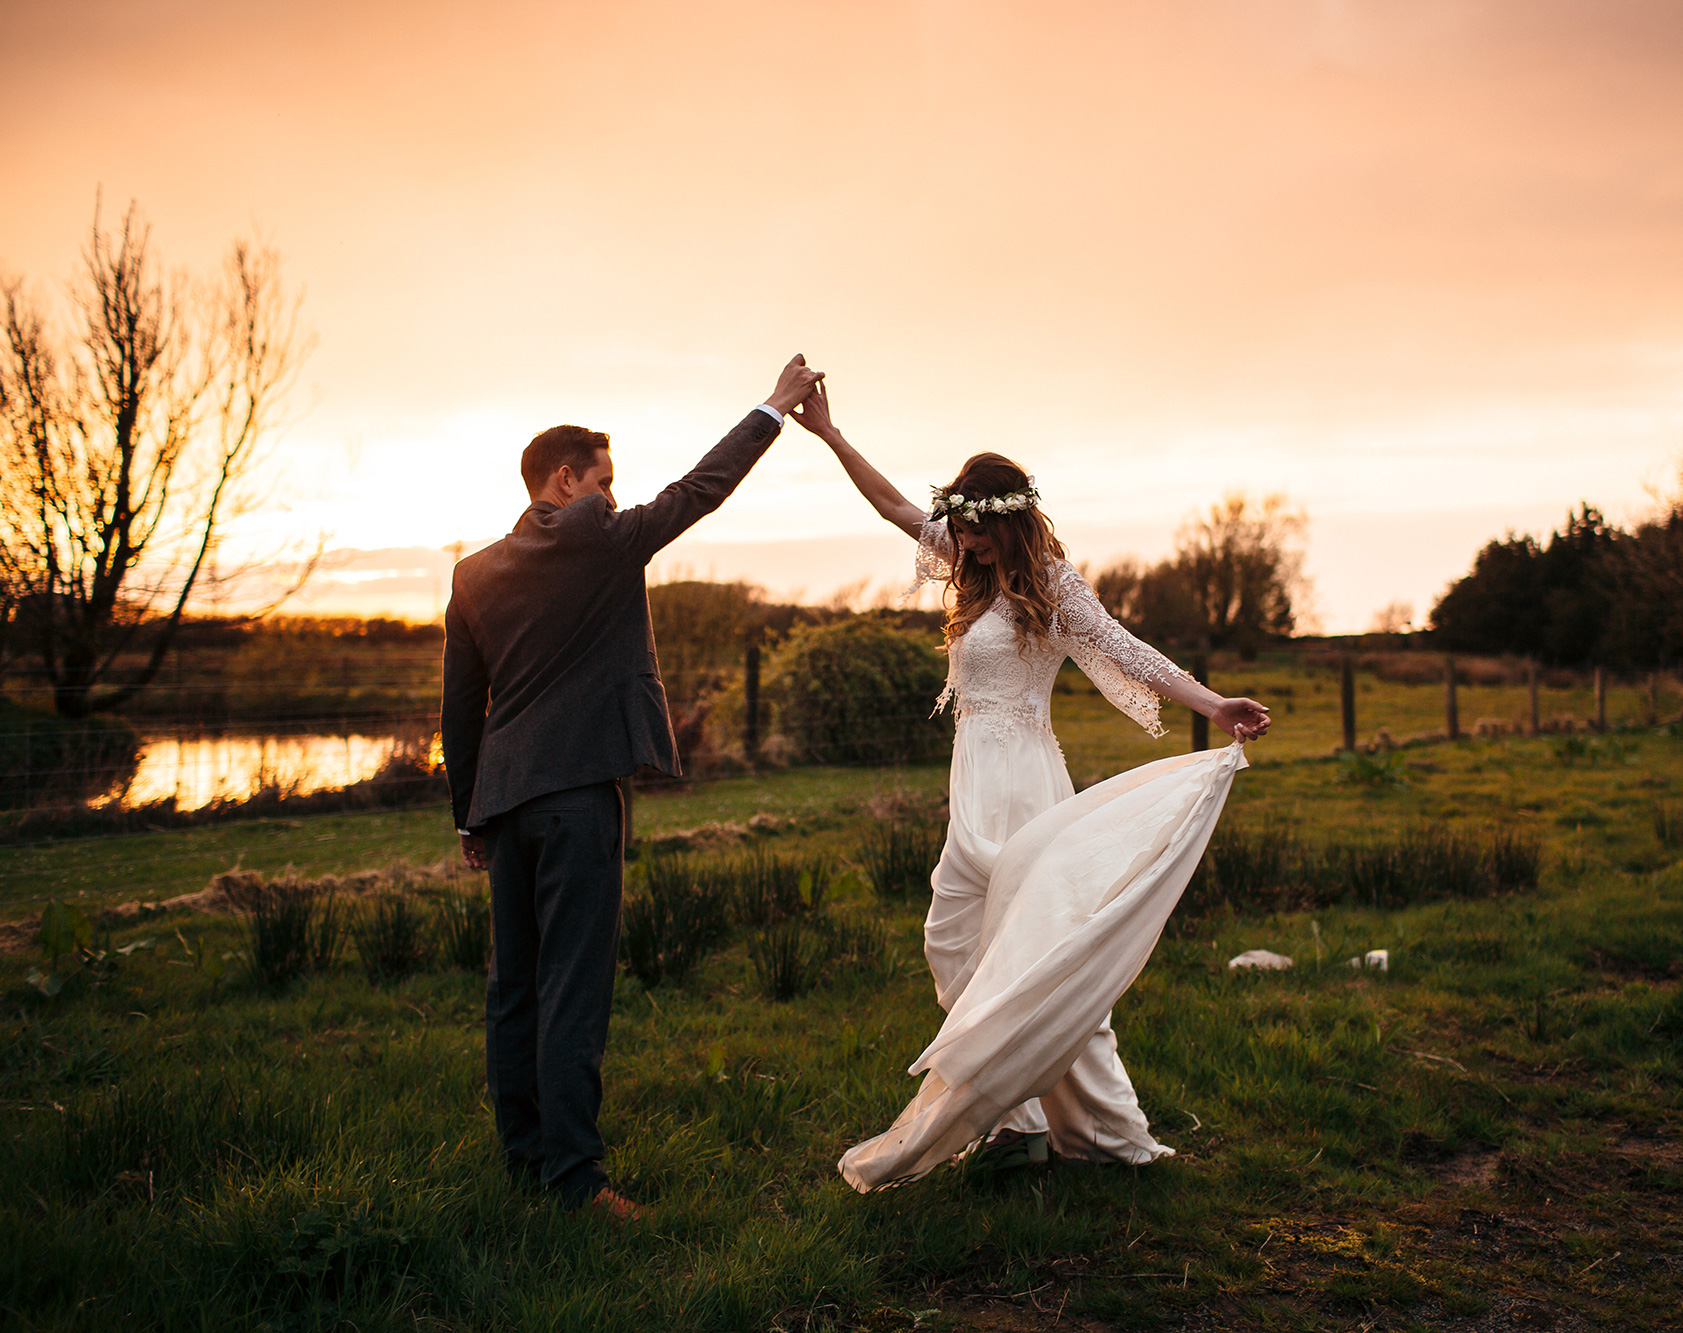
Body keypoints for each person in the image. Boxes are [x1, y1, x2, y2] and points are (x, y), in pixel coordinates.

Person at [790, 384, 1272, 1191]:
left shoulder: (1052, 584)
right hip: (973, 780)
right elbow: (889, 504)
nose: (965, 542)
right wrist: (831, 435)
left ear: (1007, 519)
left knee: (1037, 948)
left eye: (977, 529)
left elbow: (1128, 650)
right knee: (955, 938)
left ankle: (1066, 1130)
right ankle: (1020, 1115)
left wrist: (1214, 701)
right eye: (960, 527)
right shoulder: (970, 565)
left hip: (1021, 786)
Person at [441, 355, 825, 1220]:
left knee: (514, 990)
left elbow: (460, 708)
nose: (617, 494)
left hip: (504, 805)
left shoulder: (473, 572)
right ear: (564, 479)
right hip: (579, 800)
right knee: (574, 989)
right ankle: (576, 1182)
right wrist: (772, 407)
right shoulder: (601, 539)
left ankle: (524, 1160)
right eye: (605, 480)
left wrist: (468, 811)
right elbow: (702, 489)